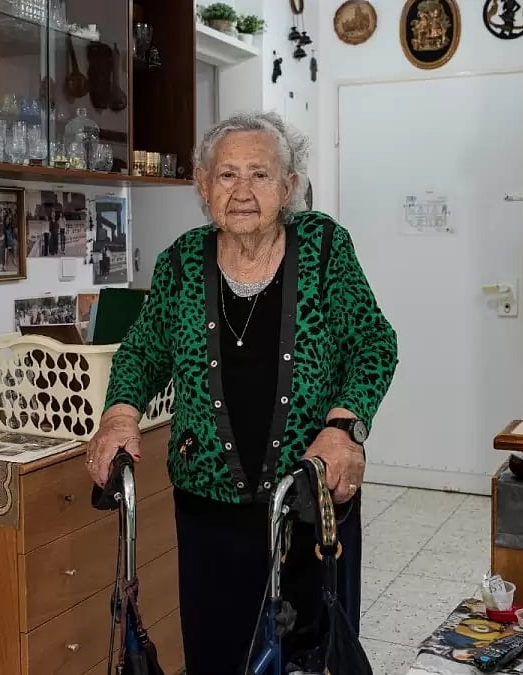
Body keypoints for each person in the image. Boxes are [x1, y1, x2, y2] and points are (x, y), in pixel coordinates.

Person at [85, 111, 398, 674]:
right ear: (204, 187)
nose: (243, 191)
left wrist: (344, 427)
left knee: (310, 656)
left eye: (259, 174)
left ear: (288, 186)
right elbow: (143, 351)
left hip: (308, 501)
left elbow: (373, 343)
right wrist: (119, 414)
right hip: (208, 515)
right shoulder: (181, 262)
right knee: (216, 653)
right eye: (227, 175)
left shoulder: (324, 247)